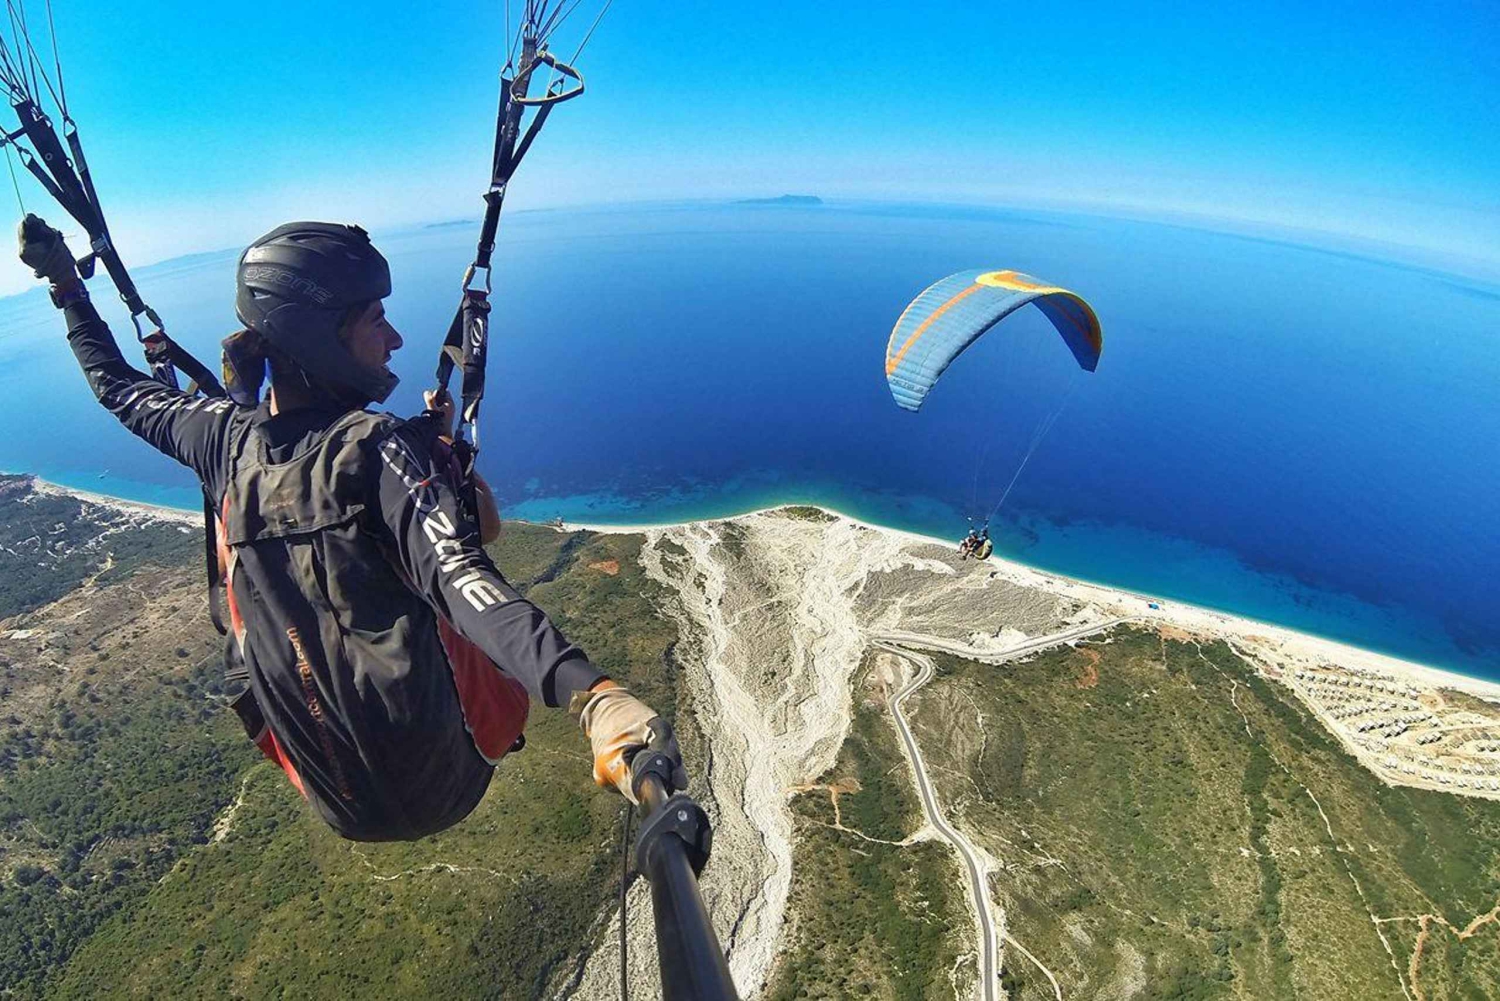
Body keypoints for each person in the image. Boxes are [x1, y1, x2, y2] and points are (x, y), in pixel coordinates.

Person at [17, 215, 685, 841]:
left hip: (329, 792)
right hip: (445, 777)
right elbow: (461, 576)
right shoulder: (378, 447)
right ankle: (277, 404)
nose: (394, 338)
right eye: (376, 319)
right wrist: (591, 694)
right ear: (319, 335)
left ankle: (252, 393)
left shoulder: (219, 438)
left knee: (244, 510)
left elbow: (120, 388)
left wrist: (67, 286)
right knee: (432, 563)